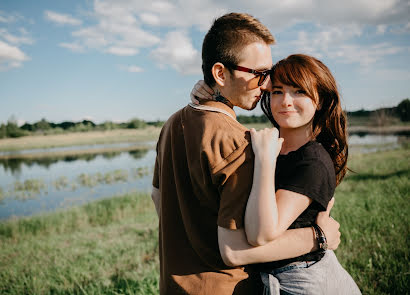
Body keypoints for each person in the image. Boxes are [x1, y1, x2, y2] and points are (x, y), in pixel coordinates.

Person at [152, 13, 341, 295]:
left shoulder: (172, 123)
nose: (265, 85)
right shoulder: (240, 143)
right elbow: (240, 247)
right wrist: (318, 236)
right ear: (220, 73)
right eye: (260, 75)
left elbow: (158, 198)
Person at [191, 54, 361, 294]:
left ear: (320, 100)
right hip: (273, 279)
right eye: (278, 91)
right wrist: (215, 94)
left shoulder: (312, 161)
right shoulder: (270, 146)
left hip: (305, 280)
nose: (285, 101)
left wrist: (264, 162)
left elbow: (260, 234)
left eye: (299, 92)